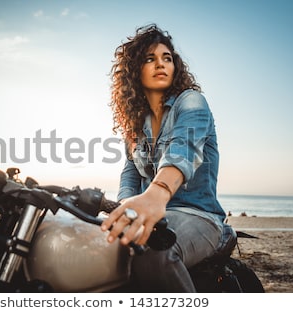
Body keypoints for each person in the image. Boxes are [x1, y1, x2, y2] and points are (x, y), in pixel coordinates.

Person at [101, 24, 226, 292]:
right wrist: (124, 205)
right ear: (136, 70)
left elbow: (184, 148)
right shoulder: (136, 124)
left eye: (167, 58)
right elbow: (130, 173)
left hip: (198, 215)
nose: (161, 64)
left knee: (152, 251)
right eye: (150, 59)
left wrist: (157, 192)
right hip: (153, 214)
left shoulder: (191, 102)